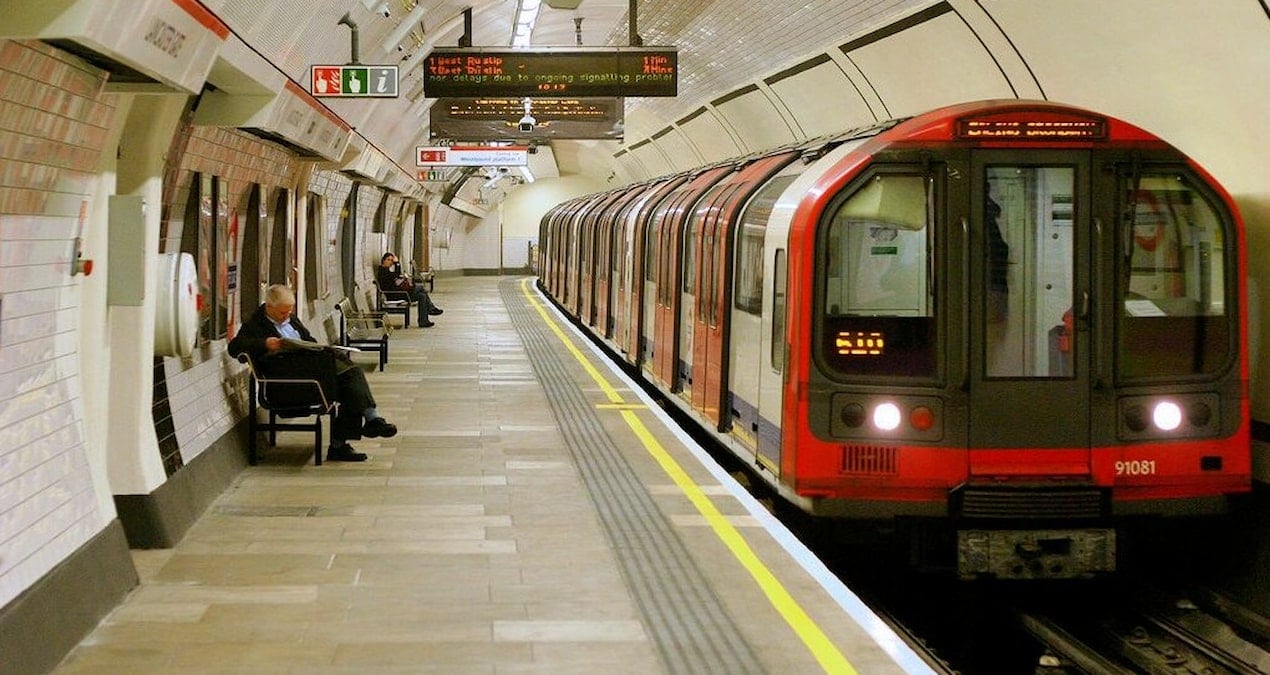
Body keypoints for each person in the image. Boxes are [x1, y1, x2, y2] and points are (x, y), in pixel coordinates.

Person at [229, 285, 396, 462]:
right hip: (288, 382)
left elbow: (310, 341)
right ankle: (360, 428)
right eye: (282, 313)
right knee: (350, 380)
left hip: (311, 373)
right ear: (268, 307)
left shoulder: (292, 320)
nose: (286, 316)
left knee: (350, 384)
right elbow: (234, 348)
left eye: (289, 311)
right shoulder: (255, 325)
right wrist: (264, 344)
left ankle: (362, 428)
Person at [376, 252, 442, 327]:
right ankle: (431, 308)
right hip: (395, 295)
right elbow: (396, 275)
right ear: (383, 260)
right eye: (389, 260)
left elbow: (395, 278)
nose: (391, 262)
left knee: (422, 296)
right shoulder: (382, 271)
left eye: (392, 260)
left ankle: (423, 321)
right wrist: (397, 263)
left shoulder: (386, 271)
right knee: (420, 287)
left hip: (400, 293)